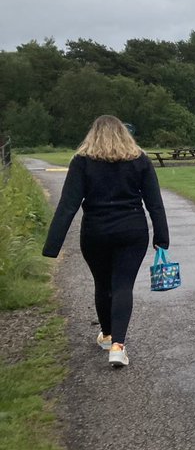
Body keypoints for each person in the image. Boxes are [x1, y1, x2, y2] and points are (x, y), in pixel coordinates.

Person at [42, 115, 170, 368]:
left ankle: (109, 335)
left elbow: (68, 205)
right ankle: (117, 346)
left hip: (95, 231)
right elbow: (154, 202)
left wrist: (52, 246)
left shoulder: (82, 162)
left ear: (93, 134)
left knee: (102, 285)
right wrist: (161, 238)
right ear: (125, 134)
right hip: (132, 230)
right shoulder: (139, 160)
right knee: (123, 285)